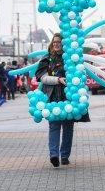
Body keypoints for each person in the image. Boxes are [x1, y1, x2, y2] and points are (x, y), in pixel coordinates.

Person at [36, 33, 90, 168]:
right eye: (54, 42)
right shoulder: (47, 58)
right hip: (52, 95)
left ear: (64, 43)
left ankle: (65, 155)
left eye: (58, 41)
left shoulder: (71, 58)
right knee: (54, 125)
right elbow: (41, 76)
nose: (56, 44)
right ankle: (54, 155)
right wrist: (57, 80)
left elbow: (79, 74)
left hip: (69, 96)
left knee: (68, 127)